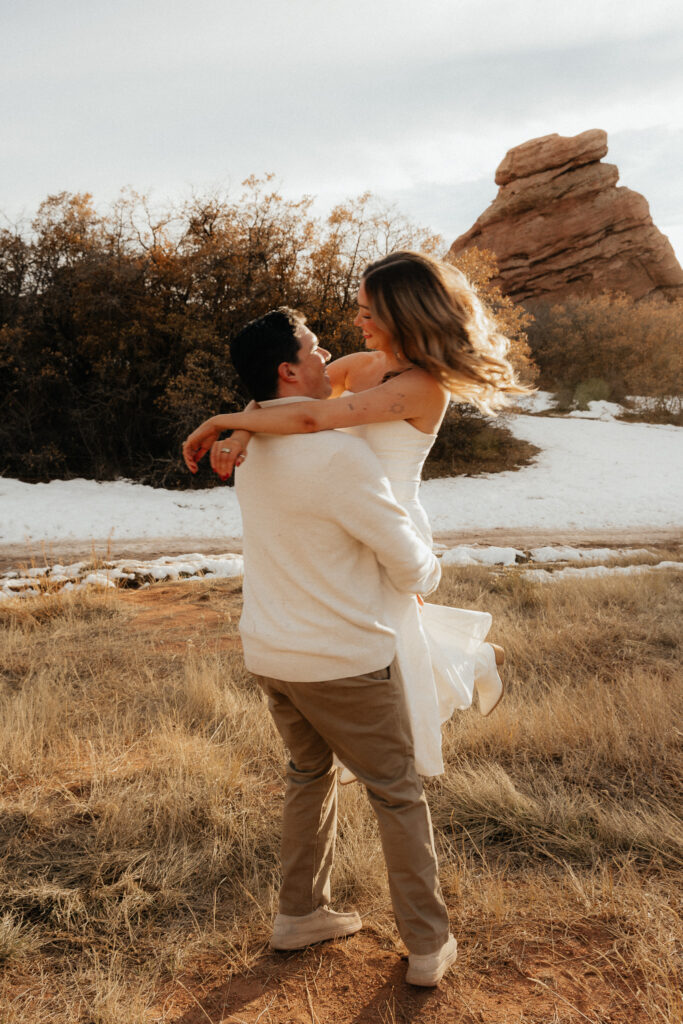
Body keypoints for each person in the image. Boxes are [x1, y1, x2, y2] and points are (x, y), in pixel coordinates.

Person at [183, 251, 526, 775]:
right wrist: (243, 428)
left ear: (402, 315)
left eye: (368, 312)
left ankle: (402, 758)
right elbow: (283, 404)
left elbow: (313, 416)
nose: (357, 321)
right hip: (346, 509)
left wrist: (219, 420)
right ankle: (468, 664)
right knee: (379, 636)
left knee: (393, 645)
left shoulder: (420, 387)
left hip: (389, 515)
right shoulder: (362, 366)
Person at [219, 307, 458, 985]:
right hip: (340, 660)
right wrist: (429, 573)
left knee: (307, 775)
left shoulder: (251, 444)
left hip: (270, 652)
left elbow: (313, 397)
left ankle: (300, 915)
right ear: (288, 370)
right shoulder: (338, 457)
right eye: (316, 348)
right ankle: (427, 943)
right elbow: (409, 565)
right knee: (396, 793)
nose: (331, 356)